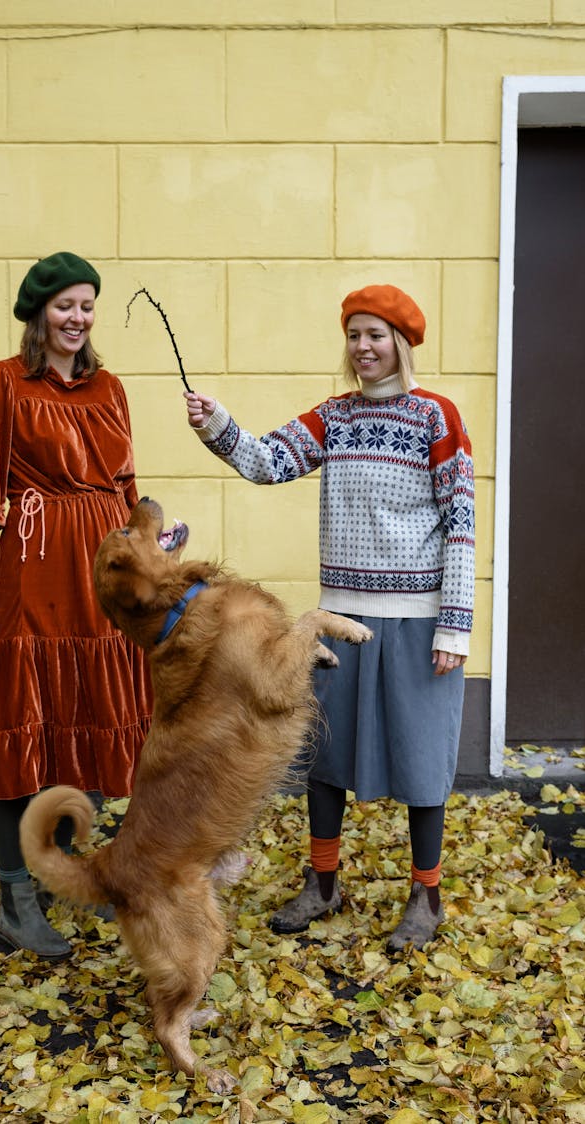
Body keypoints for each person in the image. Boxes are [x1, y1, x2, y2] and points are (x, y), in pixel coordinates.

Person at [184, 284, 474, 951]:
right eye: (354, 335)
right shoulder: (335, 419)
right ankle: (323, 883)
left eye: (376, 335)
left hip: (419, 618)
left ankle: (426, 894)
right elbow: (267, 461)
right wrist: (215, 423)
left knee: (422, 757)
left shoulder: (437, 418)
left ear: (399, 343)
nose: (363, 347)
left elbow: (461, 523)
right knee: (326, 754)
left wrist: (455, 624)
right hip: (340, 617)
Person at [0, 251, 152, 959]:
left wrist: (154, 548)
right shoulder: (1, 382)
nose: (77, 318)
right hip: (34, 577)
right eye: (65, 305)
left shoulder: (111, 389)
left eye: (87, 305)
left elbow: (129, 493)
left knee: (89, 721)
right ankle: (16, 898)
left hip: (102, 582)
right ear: (38, 311)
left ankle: (68, 877)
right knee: (22, 724)